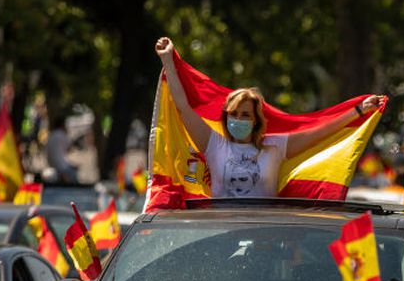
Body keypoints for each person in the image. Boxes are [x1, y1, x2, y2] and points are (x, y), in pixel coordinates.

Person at [154, 37, 385, 198]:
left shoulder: (274, 147)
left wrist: (358, 111)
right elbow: (183, 108)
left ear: (256, 120)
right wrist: (168, 61)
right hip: (221, 233)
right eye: (233, 114)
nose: (238, 119)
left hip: (263, 236)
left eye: (245, 114)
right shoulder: (213, 143)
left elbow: (320, 133)